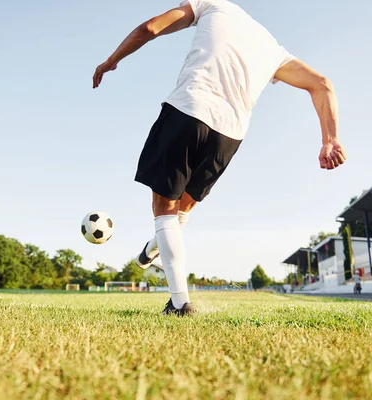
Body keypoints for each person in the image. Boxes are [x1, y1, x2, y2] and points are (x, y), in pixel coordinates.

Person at [92, 0, 347, 316]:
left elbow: (150, 27)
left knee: (164, 210)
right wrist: (330, 140)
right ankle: (152, 249)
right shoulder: (272, 48)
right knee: (181, 211)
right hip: (229, 136)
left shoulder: (212, 5)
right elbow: (322, 84)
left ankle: (180, 303)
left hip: (189, 109)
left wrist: (111, 60)